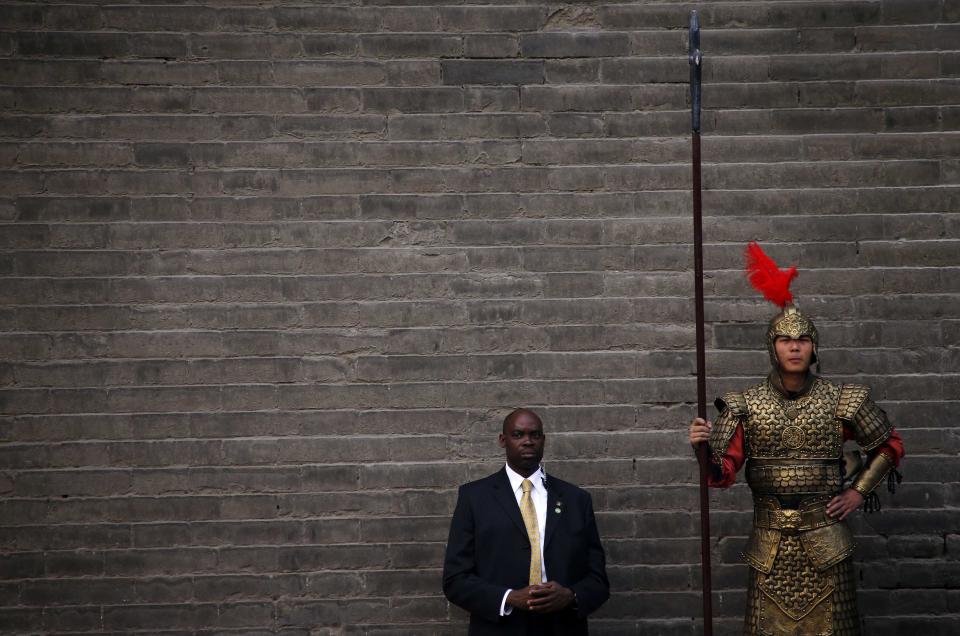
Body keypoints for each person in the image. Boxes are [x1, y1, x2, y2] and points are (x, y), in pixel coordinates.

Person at [688, 242, 904, 635]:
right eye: (786, 341)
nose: (794, 346)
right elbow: (719, 475)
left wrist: (858, 491)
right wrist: (701, 448)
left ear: (813, 348)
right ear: (773, 348)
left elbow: (890, 446)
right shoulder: (744, 405)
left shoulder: (843, 399)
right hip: (769, 544)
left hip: (827, 541)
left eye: (802, 340)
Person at [443, 408, 610, 635]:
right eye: (518, 434)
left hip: (562, 627)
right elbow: (455, 579)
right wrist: (509, 598)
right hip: (499, 628)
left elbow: (598, 579)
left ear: (544, 440)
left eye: (535, 435)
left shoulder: (576, 499)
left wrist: (571, 596)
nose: (528, 441)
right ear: (503, 440)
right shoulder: (474, 498)